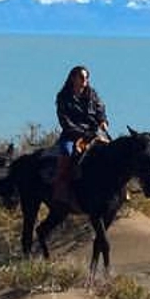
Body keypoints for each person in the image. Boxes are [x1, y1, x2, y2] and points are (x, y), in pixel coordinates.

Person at [52, 65, 109, 205]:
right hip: (72, 135)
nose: (85, 80)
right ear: (73, 78)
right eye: (82, 77)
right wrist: (81, 133)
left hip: (95, 132)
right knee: (67, 151)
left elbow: (100, 109)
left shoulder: (92, 94)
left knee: (113, 151)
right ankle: (61, 187)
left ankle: (119, 189)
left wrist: (103, 121)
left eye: (87, 77)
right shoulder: (63, 97)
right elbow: (65, 121)